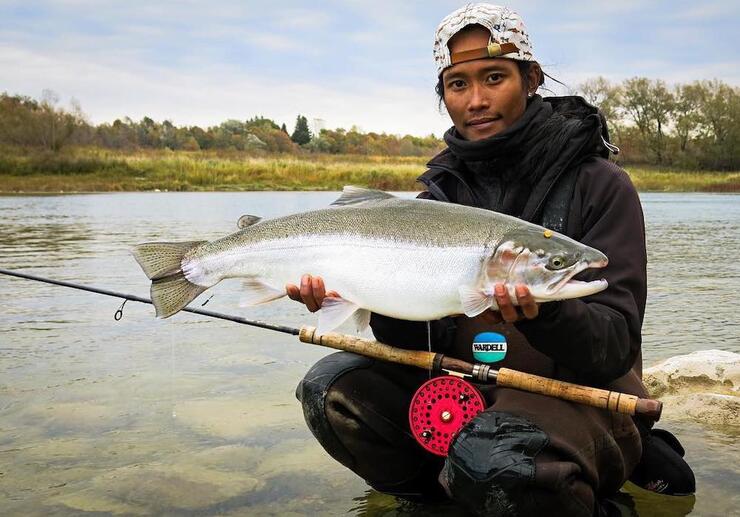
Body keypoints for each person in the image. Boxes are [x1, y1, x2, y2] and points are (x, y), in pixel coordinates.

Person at [288, 4, 694, 516]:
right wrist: (362, 294)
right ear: (444, 95)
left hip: (579, 394)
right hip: (463, 384)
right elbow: (411, 339)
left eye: (494, 77)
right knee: (332, 392)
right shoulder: (436, 199)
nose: (476, 101)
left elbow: (613, 346)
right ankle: (434, 501)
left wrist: (546, 311)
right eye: (458, 85)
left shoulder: (601, 185)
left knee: (495, 455)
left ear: (531, 79)